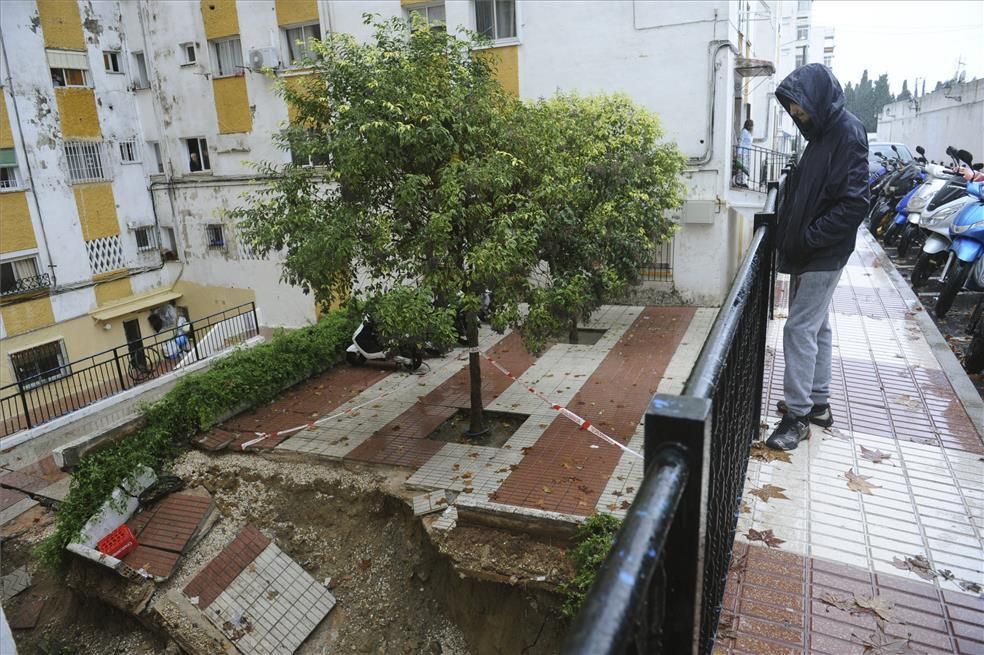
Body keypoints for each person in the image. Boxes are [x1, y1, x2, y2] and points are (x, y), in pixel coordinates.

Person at [766, 63, 869, 451]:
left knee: (799, 329)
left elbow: (855, 202)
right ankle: (818, 405)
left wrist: (808, 238)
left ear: (816, 98)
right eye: (791, 107)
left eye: (799, 106)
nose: (795, 114)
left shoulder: (847, 133)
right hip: (812, 250)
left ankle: (797, 417)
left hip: (823, 252)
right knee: (817, 326)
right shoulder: (823, 133)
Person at [735, 119, 754, 187]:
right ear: (747, 125)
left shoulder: (749, 133)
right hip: (742, 152)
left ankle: (744, 181)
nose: (751, 127)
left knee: (745, 167)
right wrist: (739, 152)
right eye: (750, 125)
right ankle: (739, 181)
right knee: (742, 167)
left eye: (751, 125)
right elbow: (740, 141)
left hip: (747, 152)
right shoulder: (744, 131)